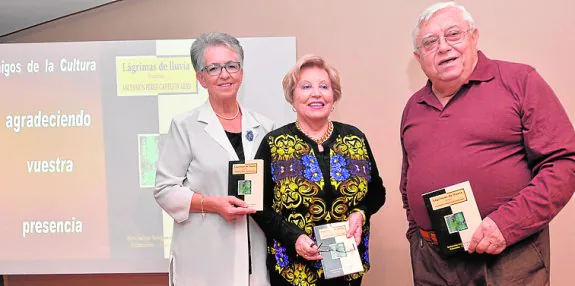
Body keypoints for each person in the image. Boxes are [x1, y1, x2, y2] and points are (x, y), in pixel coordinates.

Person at [401, 2, 575, 285]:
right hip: (433, 264)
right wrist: (416, 235)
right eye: (430, 42)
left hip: (507, 257)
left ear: (474, 36)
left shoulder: (520, 81)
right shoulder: (414, 106)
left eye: (453, 34)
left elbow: (564, 163)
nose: (443, 47)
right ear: (418, 57)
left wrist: (506, 225)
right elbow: (408, 177)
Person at [252, 54, 386, 286]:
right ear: (292, 98)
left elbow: (377, 192)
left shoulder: (355, 138)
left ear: (334, 97)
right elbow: (256, 203)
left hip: (346, 269)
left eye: (324, 86)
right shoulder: (273, 143)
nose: (316, 93)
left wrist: (360, 213)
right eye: (306, 86)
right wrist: (292, 237)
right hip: (292, 270)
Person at [154, 32, 274, 286]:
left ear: (241, 72)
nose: (225, 74)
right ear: (201, 78)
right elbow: (165, 190)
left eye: (232, 66)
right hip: (204, 257)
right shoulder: (184, 126)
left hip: (254, 256)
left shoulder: (264, 127)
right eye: (214, 68)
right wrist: (212, 204)